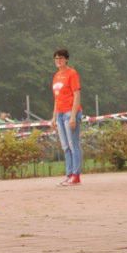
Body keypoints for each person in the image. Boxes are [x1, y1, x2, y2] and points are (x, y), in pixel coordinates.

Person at [52, 48, 83, 186]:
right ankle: (69, 174)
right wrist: (53, 117)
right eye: (56, 58)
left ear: (66, 59)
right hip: (59, 113)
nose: (58, 61)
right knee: (65, 146)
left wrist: (73, 116)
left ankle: (76, 175)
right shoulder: (56, 76)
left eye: (61, 58)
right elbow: (56, 98)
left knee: (73, 144)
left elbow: (76, 94)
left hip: (70, 112)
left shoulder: (72, 73)